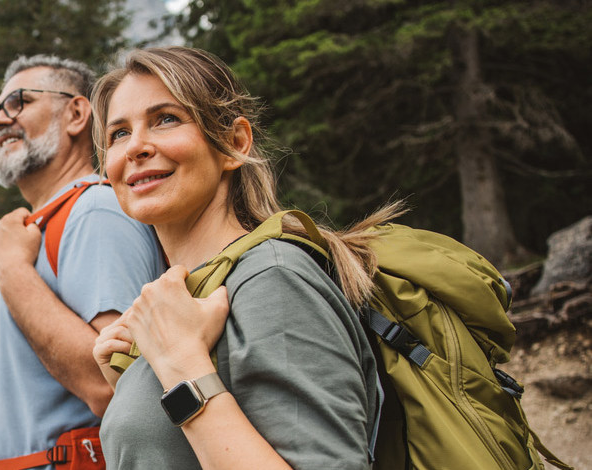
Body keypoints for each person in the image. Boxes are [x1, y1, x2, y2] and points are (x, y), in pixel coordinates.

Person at [89, 46, 390, 468]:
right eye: (118, 133)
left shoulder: (274, 280)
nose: (135, 146)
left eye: (166, 119)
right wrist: (132, 376)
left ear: (234, 143)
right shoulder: (182, 303)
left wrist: (178, 363)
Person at [0, 55, 164, 469]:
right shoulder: (23, 235)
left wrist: (12, 269)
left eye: (19, 102)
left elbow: (111, 385)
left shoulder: (96, 210)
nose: (0, 120)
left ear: (76, 113)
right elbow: (2, 373)